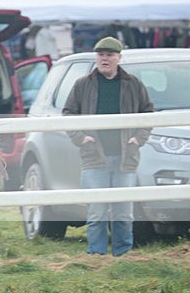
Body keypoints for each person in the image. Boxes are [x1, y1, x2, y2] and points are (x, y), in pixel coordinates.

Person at [62, 36, 153, 256]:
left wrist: (137, 140)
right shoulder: (83, 84)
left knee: (123, 212)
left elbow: (148, 113)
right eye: (101, 55)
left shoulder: (134, 85)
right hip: (94, 158)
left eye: (110, 55)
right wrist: (81, 139)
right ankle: (96, 256)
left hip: (126, 158)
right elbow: (68, 114)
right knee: (97, 211)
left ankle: (124, 255)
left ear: (119, 58)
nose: (104, 59)